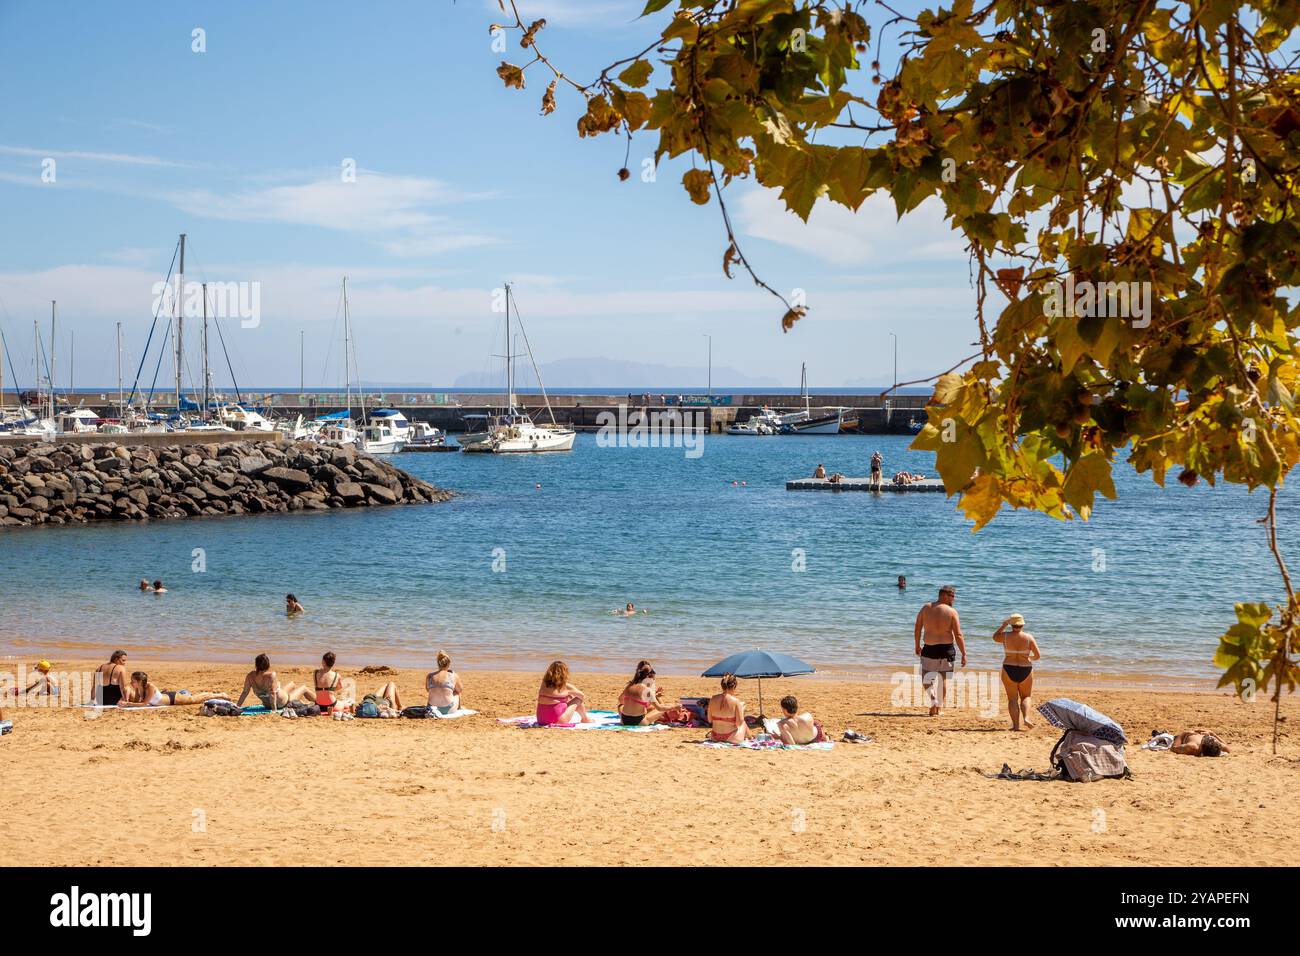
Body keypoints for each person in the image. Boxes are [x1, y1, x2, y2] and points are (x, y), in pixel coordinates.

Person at [914, 585, 966, 716]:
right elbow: (958, 635)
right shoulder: (952, 612)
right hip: (947, 650)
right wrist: (964, 653)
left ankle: (934, 701)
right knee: (944, 680)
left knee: (926, 679)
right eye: (952, 596)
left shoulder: (926, 608)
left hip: (929, 648)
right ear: (943, 595)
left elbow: (917, 629)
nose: (954, 599)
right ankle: (939, 707)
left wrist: (917, 645)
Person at [993, 613, 1041, 730]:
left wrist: (1003, 625)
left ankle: (1015, 725)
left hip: (1009, 668)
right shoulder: (1029, 637)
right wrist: (1030, 659)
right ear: (1022, 625)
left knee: (1012, 698)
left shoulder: (1005, 636)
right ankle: (1026, 718)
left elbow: (994, 637)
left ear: (1011, 625)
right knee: (1026, 697)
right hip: (1025, 669)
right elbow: (1037, 655)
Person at [235, 655, 314, 710]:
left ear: (256, 665)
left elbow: (245, 692)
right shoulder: (271, 675)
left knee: (292, 684)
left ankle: (294, 689)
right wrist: (274, 710)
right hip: (283, 703)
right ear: (268, 664)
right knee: (304, 688)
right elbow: (272, 693)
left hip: (266, 704)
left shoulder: (250, 676)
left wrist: (238, 706)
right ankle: (322, 703)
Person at [118, 671, 224, 708]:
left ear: (140, 681)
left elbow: (144, 704)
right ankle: (185, 692)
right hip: (167, 696)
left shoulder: (150, 686)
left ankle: (219, 695)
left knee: (196, 699)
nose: (131, 682)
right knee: (192, 697)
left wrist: (128, 704)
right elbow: (140, 700)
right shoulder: (138, 688)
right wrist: (124, 700)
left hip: (173, 699)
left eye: (133, 681)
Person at [535, 660, 591, 725]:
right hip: (558, 721)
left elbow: (554, 693)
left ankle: (585, 718)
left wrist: (566, 697)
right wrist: (569, 695)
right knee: (578, 700)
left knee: (567, 699)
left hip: (541, 720)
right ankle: (585, 719)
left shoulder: (544, 684)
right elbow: (582, 696)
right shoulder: (566, 687)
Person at [706, 673, 746, 743]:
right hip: (731, 737)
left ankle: (751, 736)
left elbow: (709, 720)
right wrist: (742, 710)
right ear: (734, 686)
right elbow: (739, 723)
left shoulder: (713, 699)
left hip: (715, 737)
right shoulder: (736, 701)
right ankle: (751, 737)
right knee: (743, 723)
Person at [425, 650, 463, 715]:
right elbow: (460, 689)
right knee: (457, 692)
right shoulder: (453, 675)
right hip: (448, 709)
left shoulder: (430, 676)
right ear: (449, 664)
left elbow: (428, 690)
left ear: (438, 664)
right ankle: (459, 708)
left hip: (431, 708)